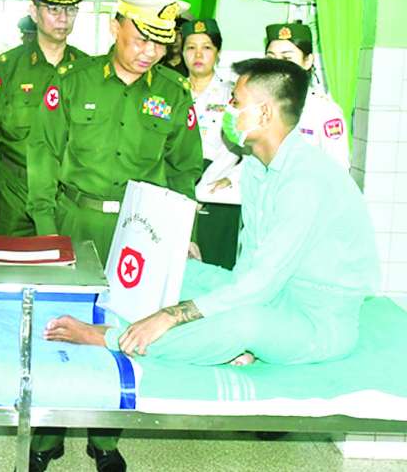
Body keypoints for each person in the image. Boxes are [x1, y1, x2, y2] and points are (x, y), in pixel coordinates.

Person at [43, 58, 379, 378]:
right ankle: (165, 330)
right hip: (273, 297)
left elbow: (262, 281)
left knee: (244, 324)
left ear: (264, 113)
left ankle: (113, 338)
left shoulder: (306, 180)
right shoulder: (255, 167)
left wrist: (172, 315)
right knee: (180, 272)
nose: (228, 110)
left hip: (316, 321)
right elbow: (250, 262)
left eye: (236, 102)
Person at [27, 0, 201, 472]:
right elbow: (42, 155)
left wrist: (182, 232)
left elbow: (185, 168)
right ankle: (48, 433)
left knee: (121, 327)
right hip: (74, 220)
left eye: (160, 44)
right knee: (60, 325)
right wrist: (47, 230)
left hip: (140, 232)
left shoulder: (173, 93)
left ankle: (105, 437)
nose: (150, 53)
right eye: (141, 39)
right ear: (115, 26)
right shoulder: (74, 80)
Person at [0, 0, 87, 237]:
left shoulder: (86, 70)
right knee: (13, 262)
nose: (63, 18)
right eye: (53, 9)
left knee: (68, 261)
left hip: (67, 195)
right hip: (15, 193)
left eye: (70, 10)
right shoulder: (6, 67)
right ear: (34, 12)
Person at [181, 18, 242, 269]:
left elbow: (242, 148)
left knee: (215, 265)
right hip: (177, 184)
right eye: (191, 47)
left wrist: (224, 180)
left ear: (217, 52)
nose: (198, 55)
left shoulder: (234, 94)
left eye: (206, 47)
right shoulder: (171, 91)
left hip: (217, 189)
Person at [265, 22, 350, 169]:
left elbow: (338, 169)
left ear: (308, 61)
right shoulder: (261, 106)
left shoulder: (324, 111)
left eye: (287, 59)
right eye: (271, 58)